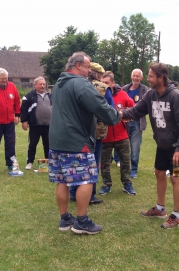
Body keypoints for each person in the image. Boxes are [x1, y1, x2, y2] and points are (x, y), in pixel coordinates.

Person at [48, 52, 120, 235]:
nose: (90, 71)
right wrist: (116, 115)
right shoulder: (80, 84)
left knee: (62, 180)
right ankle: (81, 221)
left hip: (57, 141)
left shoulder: (58, 84)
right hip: (77, 142)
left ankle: (65, 219)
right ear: (78, 65)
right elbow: (100, 106)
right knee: (87, 179)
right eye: (88, 67)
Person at [120, 62, 179, 229]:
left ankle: (177, 216)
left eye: (151, 76)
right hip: (162, 146)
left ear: (161, 77)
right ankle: (160, 209)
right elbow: (136, 111)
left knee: (174, 177)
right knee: (159, 173)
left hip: (175, 148)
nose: (148, 79)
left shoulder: (175, 96)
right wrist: (119, 114)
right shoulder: (151, 94)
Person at [69, 62, 114, 205]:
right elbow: (110, 110)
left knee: (76, 161)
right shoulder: (103, 88)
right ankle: (90, 195)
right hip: (96, 132)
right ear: (99, 74)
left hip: (77, 131)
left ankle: (72, 192)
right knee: (93, 162)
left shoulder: (74, 86)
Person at [98, 73, 136, 195]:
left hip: (121, 135)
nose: (104, 85)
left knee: (125, 161)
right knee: (104, 163)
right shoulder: (98, 96)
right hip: (105, 136)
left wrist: (123, 113)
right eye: (102, 82)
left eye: (107, 82)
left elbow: (134, 108)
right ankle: (106, 184)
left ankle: (127, 184)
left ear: (113, 83)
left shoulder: (122, 94)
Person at [121, 69, 149, 178]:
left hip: (137, 123)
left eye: (138, 76)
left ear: (141, 78)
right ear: (131, 76)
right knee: (123, 147)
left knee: (135, 147)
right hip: (124, 123)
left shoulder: (145, 90)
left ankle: (133, 169)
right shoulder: (124, 89)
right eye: (134, 75)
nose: (135, 78)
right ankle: (124, 168)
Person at [21, 76, 52, 170]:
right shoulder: (28, 96)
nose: (42, 86)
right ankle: (29, 162)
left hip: (48, 125)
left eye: (44, 84)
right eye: (40, 84)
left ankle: (48, 162)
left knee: (48, 144)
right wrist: (24, 121)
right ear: (35, 85)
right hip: (35, 125)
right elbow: (24, 110)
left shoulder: (51, 95)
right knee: (32, 144)